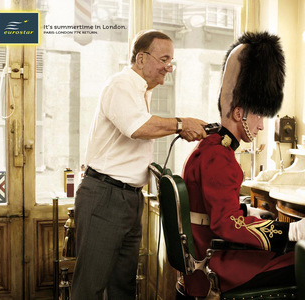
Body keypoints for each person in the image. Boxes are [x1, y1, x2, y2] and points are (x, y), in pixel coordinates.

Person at [182, 32, 305, 297]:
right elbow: (225, 224)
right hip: (221, 266)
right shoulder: (219, 157)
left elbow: (212, 207)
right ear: (240, 113)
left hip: (210, 256)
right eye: (259, 115)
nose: (261, 125)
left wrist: (247, 210)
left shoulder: (212, 147)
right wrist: (294, 229)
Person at [71, 29, 207, 300]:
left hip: (130, 199)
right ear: (142, 58)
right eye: (164, 59)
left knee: (123, 286)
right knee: (90, 288)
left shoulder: (142, 92)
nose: (169, 67)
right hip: (104, 197)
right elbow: (137, 128)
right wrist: (181, 124)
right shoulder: (120, 85)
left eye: (172, 61)